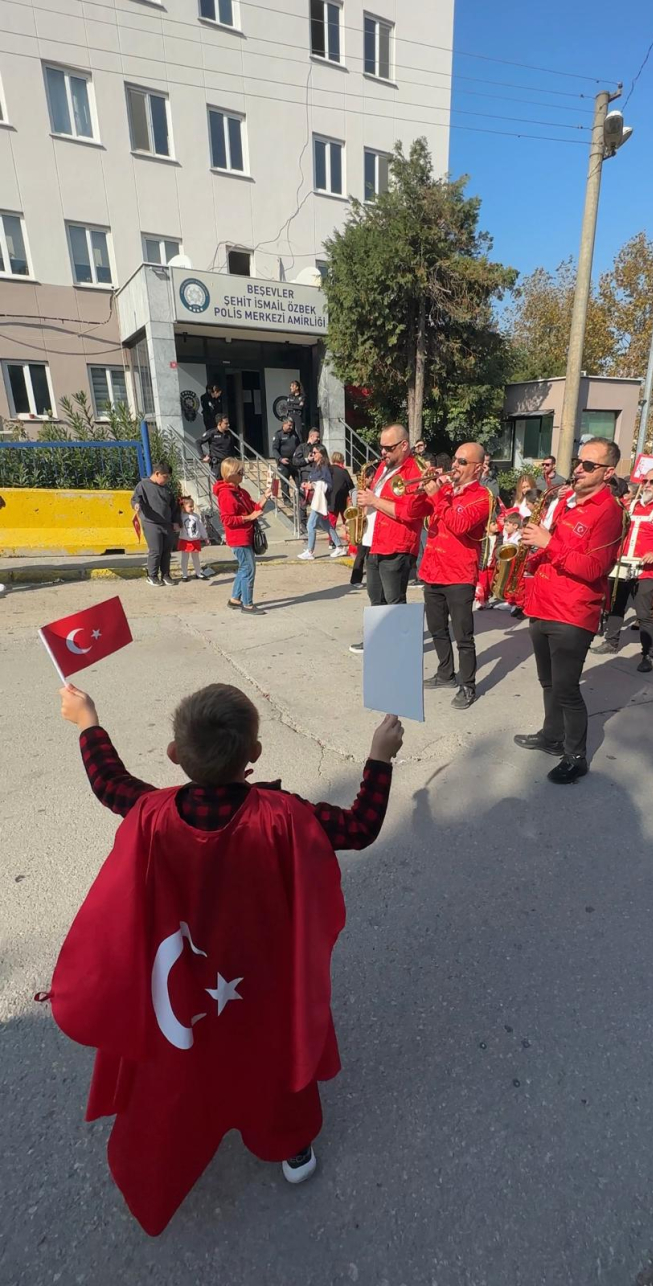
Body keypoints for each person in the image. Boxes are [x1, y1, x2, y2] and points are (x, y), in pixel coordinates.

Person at [49, 680, 403, 1235]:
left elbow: (109, 783)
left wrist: (88, 720)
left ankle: (188, 1131)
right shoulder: (285, 815)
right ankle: (291, 1146)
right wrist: (379, 758)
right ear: (254, 755)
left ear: (173, 755)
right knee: (270, 1049)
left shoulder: (152, 812)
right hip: (262, 976)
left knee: (189, 1056)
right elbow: (360, 826)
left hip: (187, 980)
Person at [514, 437, 626, 785]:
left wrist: (550, 543)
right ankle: (551, 736)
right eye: (579, 462)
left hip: (573, 612)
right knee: (548, 681)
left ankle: (575, 756)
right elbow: (553, 550)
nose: (578, 469)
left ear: (608, 473)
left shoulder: (610, 512)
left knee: (566, 689)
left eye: (588, 465)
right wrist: (532, 546)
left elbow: (594, 568)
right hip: (543, 602)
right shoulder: (565, 502)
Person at [381, 444, 492, 710]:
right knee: (438, 629)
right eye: (455, 459)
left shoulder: (482, 496)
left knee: (463, 635)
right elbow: (415, 511)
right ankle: (445, 674)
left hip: (459, 574)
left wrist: (439, 494)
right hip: (433, 569)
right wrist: (425, 488)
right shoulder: (446, 490)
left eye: (462, 462)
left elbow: (459, 524)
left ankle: (468, 685)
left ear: (478, 467)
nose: (456, 465)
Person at [348, 425, 427, 654]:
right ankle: (378, 639)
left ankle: (400, 646)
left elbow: (410, 512)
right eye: (381, 447)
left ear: (404, 445)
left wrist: (373, 501)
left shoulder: (414, 471)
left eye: (388, 448)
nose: (383, 452)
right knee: (376, 598)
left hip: (396, 544)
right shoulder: (385, 466)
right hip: (375, 542)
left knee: (394, 602)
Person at [592, 467, 653, 673]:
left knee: (644, 613)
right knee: (616, 606)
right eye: (644, 481)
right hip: (622, 565)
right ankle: (611, 642)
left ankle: (649, 653)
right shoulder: (630, 506)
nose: (646, 485)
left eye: (652, 482)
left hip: (647, 570)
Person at [214, 457, 272, 615]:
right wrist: (249, 517)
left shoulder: (240, 491)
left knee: (244, 568)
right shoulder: (226, 494)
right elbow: (227, 519)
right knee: (249, 569)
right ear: (231, 474)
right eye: (241, 472)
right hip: (238, 537)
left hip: (245, 535)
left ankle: (235, 599)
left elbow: (254, 507)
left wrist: (265, 497)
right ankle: (248, 604)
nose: (243, 475)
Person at [131, 462, 181, 588]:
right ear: (157, 473)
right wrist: (136, 504)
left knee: (167, 551)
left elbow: (174, 507)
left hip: (167, 523)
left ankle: (166, 575)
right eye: (165, 477)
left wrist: (176, 521)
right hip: (151, 523)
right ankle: (152, 575)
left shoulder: (167, 489)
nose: (167, 479)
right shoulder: (143, 485)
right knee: (156, 550)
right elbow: (135, 498)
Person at [298, 446, 346, 560]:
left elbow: (328, 485)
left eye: (315, 452)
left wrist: (313, 485)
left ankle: (310, 551)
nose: (312, 454)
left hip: (320, 501)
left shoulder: (324, 467)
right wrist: (307, 484)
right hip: (317, 500)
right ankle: (339, 547)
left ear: (321, 454)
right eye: (312, 452)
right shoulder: (317, 466)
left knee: (311, 525)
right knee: (326, 525)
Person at [177, 496, 209, 581]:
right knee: (184, 558)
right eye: (190, 506)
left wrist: (205, 537)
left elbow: (201, 527)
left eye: (192, 506)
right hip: (185, 540)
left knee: (196, 558)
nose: (192, 508)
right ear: (184, 507)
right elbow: (177, 527)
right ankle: (184, 575)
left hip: (195, 540)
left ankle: (198, 573)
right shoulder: (181, 516)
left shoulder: (196, 516)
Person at [271, 418, 301, 503]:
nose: (291, 427)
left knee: (299, 480)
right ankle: (286, 499)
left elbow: (299, 446)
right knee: (285, 483)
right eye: (289, 425)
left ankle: (300, 498)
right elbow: (274, 449)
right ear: (284, 424)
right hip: (283, 463)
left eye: (292, 425)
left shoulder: (294, 434)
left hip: (294, 462)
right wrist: (280, 459)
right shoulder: (278, 434)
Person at [200, 414, 235, 480]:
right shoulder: (211, 433)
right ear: (219, 423)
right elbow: (198, 442)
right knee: (218, 485)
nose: (228, 425)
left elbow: (231, 448)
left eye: (228, 423)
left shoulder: (229, 434)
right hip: (217, 464)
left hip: (228, 464)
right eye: (226, 423)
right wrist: (203, 456)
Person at [329, 452, 354, 544]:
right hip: (343, 500)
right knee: (346, 521)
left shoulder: (328, 470)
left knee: (332, 522)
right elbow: (350, 485)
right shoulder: (343, 471)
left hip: (331, 500)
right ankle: (349, 539)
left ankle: (332, 542)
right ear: (341, 460)